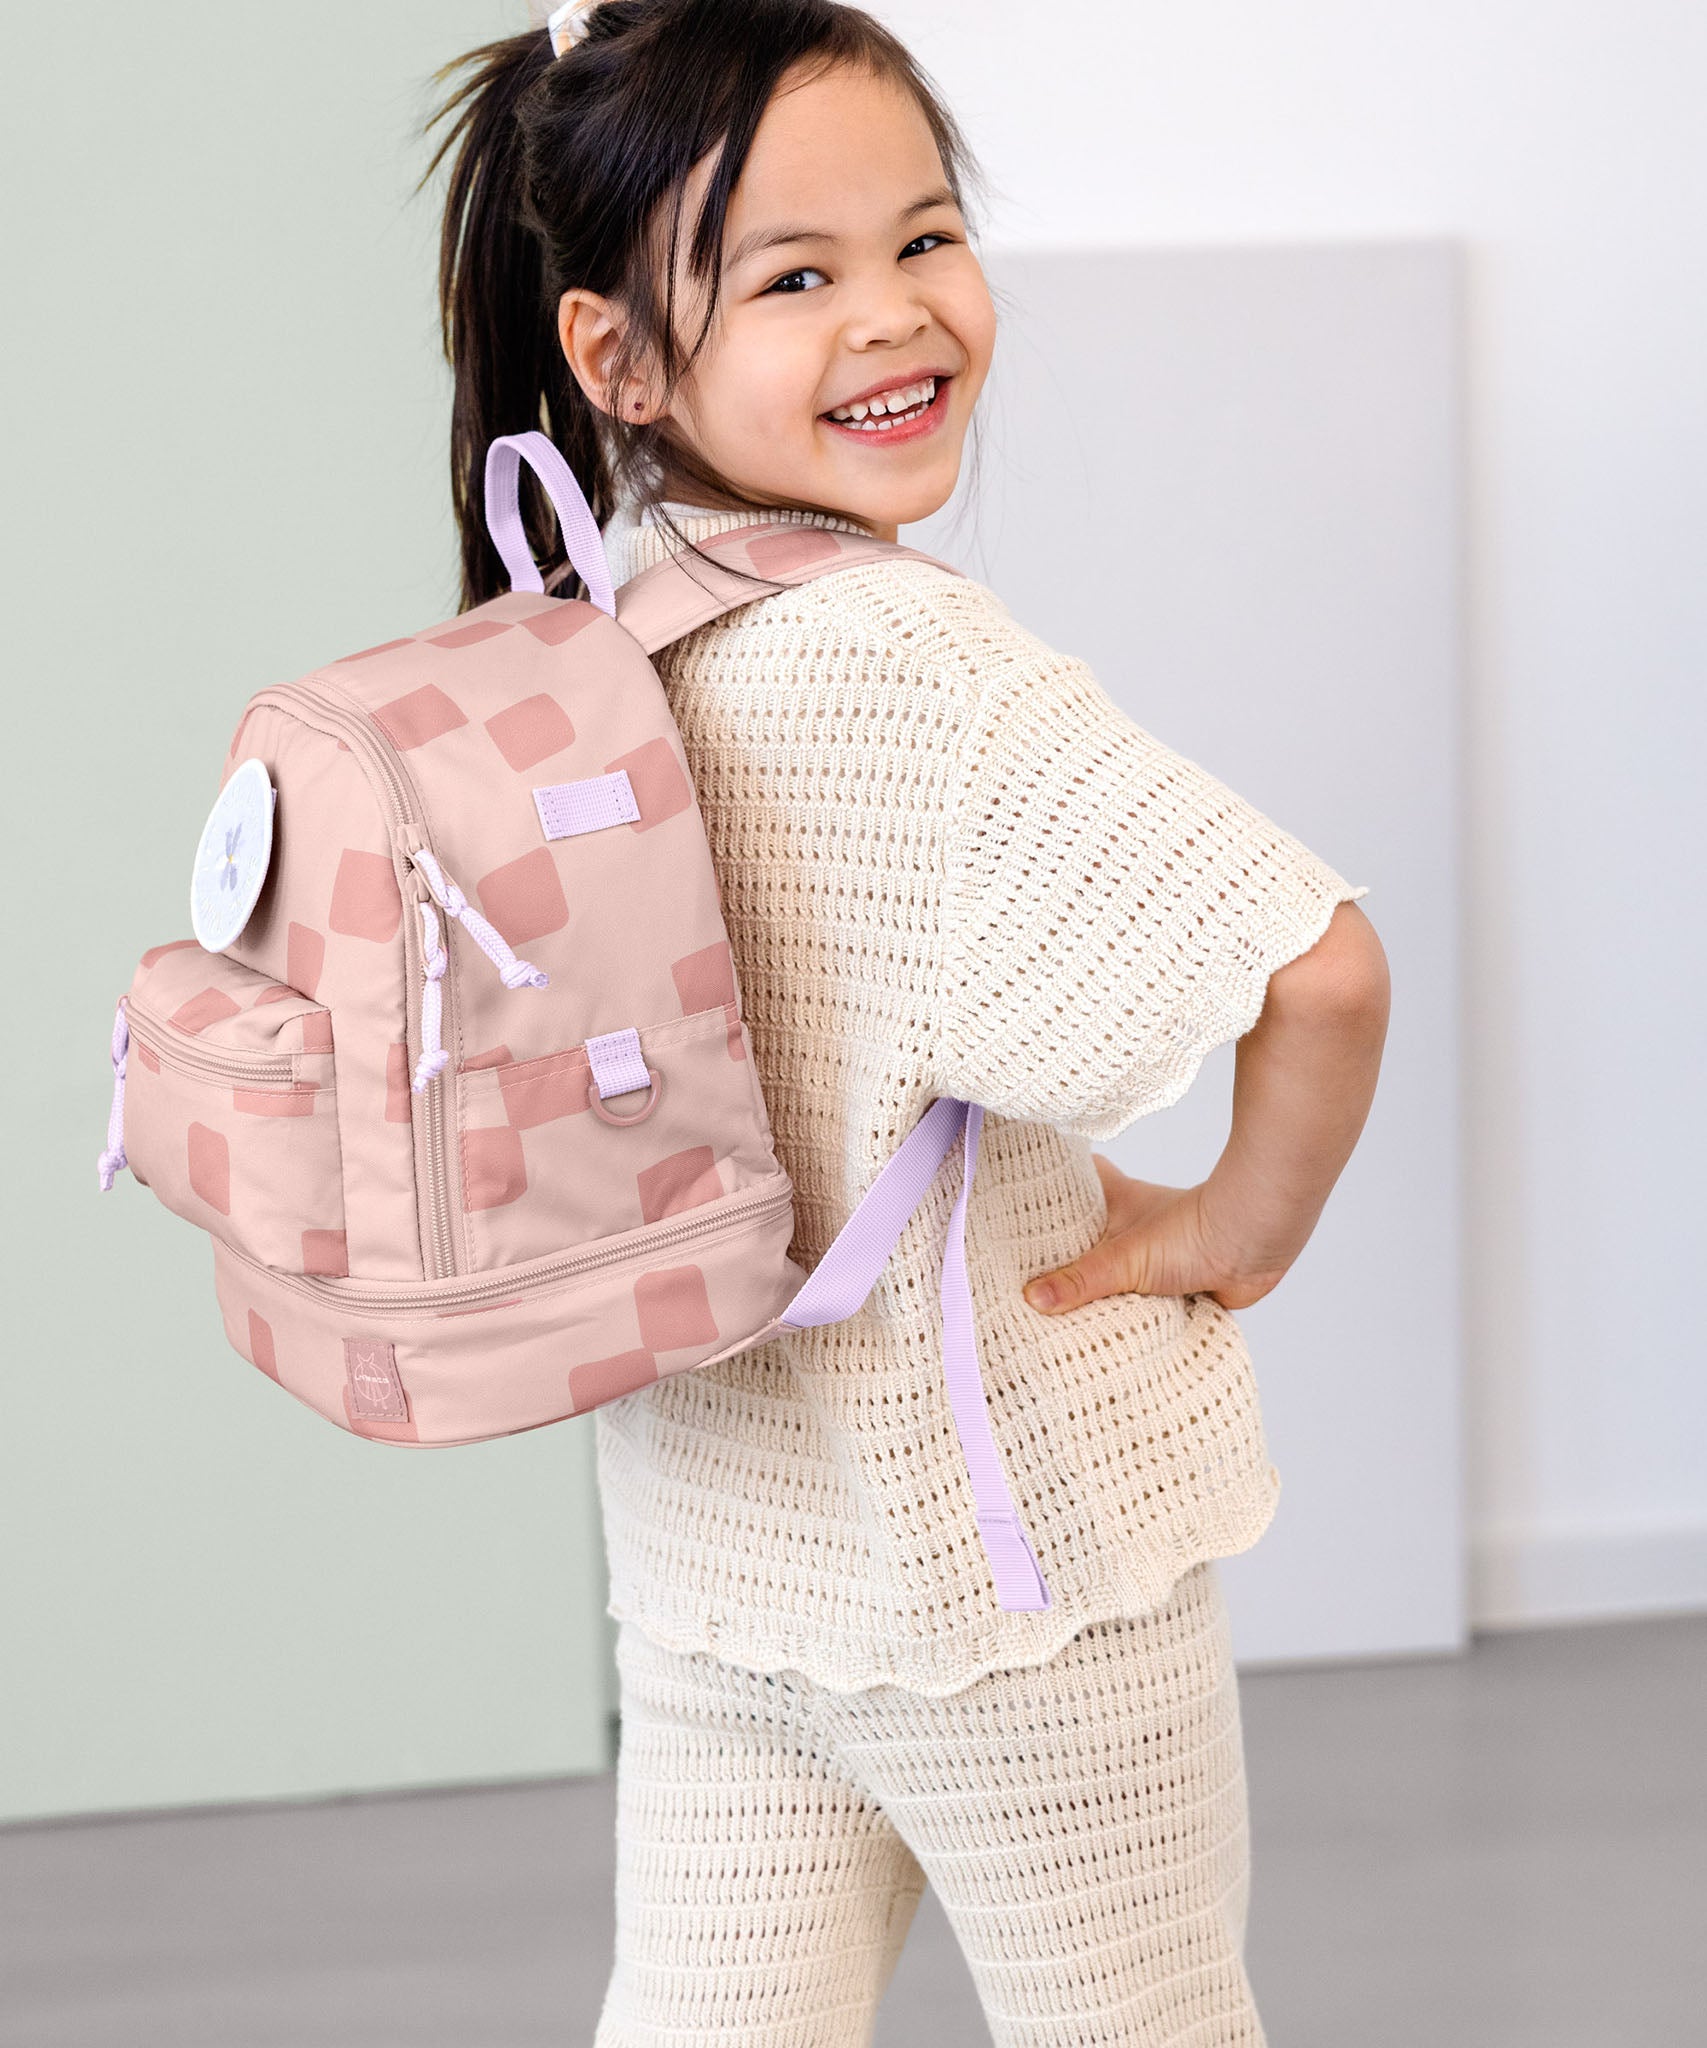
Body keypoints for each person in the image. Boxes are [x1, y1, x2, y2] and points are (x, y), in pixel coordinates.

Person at [424, 3, 1390, 2040]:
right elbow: (1318, 966)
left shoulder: (594, 641)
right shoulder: (917, 672)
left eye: (924, 238)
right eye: (795, 276)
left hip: (716, 1564)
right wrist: (1234, 1232)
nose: (892, 313)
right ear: (616, 354)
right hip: (1016, 1578)